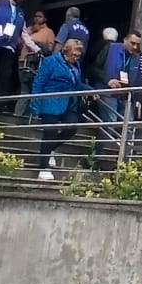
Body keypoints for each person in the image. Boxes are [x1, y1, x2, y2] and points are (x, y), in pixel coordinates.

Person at [30, 38, 93, 181]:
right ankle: (44, 167)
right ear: (66, 51)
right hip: (50, 102)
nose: (75, 58)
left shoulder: (76, 66)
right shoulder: (51, 61)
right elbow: (39, 82)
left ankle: (49, 149)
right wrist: (35, 104)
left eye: (78, 56)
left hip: (69, 103)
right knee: (50, 132)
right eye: (73, 55)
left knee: (71, 128)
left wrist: (90, 90)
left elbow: (77, 84)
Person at [0, 0, 28, 109]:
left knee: (5, 75)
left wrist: (36, 49)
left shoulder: (20, 12)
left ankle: (0, 104)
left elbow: (24, 33)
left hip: (9, 47)